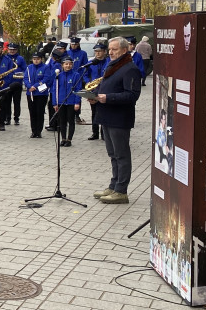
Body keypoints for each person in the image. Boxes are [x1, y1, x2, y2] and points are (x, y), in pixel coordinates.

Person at [86, 37, 141, 204]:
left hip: (119, 118)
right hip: (107, 116)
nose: (110, 52)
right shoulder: (112, 66)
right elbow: (107, 87)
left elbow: (132, 95)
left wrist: (107, 97)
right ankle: (113, 185)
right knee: (112, 154)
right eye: (109, 49)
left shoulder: (129, 69)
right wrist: (95, 97)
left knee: (121, 155)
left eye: (114, 49)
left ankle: (121, 191)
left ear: (124, 50)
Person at [22, 51, 54, 139]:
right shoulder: (29, 68)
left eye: (38, 59)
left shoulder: (45, 67)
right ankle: (33, 131)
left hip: (41, 93)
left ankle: (38, 131)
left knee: (39, 112)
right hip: (31, 93)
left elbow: (46, 78)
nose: (36, 61)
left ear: (41, 59)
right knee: (32, 113)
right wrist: (29, 86)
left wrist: (35, 86)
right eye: (34, 59)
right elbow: (25, 78)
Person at [52, 56, 81, 147]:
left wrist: (77, 102)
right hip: (61, 101)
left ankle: (69, 139)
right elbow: (54, 89)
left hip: (71, 102)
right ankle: (63, 138)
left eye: (70, 64)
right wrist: (54, 103)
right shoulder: (58, 75)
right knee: (62, 121)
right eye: (66, 64)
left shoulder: (76, 75)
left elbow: (78, 89)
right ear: (62, 65)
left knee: (71, 120)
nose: (68, 66)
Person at [84, 41, 109, 140]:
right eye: (96, 51)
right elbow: (85, 74)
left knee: (104, 111)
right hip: (93, 89)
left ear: (104, 52)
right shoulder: (91, 62)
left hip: (105, 89)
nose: (97, 53)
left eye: (99, 51)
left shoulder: (109, 62)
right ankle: (95, 133)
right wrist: (88, 83)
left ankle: (104, 133)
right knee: (94, 112)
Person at [3, 42, 26, 126]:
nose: (12, 51)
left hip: (17, 83)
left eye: (14, 50)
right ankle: (7, 118)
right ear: (8, 50)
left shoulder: (20, 58)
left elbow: (25, 69)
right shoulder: (5, 58)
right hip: (7, 84)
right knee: (7, 102)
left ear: (16, 50)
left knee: (17, 102)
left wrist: (20, 74)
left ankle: (16, 118)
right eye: (10, 50)